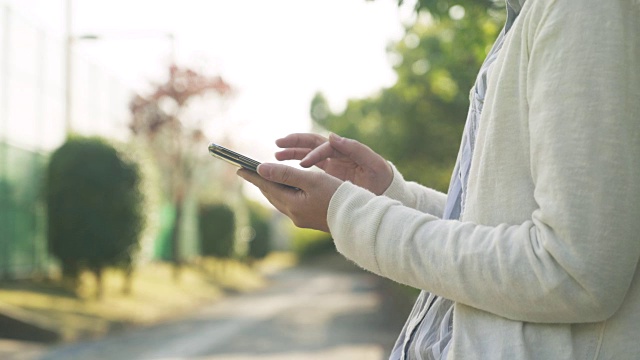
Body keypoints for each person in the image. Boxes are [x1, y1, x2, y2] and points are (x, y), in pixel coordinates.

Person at [237, 0, 640, 358]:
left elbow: (572, 270)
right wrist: (391, 195)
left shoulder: (583, 9)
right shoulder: (524, 18)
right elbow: (502, 235)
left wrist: (348, 215)